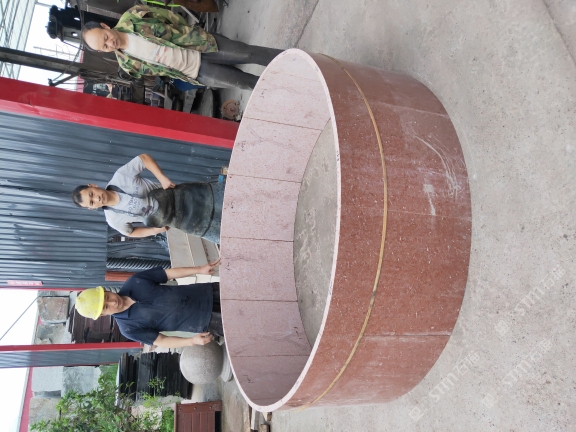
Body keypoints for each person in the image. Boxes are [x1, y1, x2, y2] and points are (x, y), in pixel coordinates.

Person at [82, 5, 283, 90]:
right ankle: (286, 90)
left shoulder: (133, 16)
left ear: (105, 26)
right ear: (101, 51)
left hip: (202, 44)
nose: (110, 44)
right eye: (104, 46)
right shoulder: (127, 65)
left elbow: (170, 16)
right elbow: (160, 71)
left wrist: (188, 33)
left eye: (106, 37)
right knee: (247, 83)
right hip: (196, 72)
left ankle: (294, 63)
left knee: (249, 53)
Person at [71, 153, 224, 242]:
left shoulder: (120, 177)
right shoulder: (113, 219)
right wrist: (154, 231)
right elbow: (130, 232)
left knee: (229, 200)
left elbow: (143, 158)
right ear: (91, 208)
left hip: (188, 196)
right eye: (92, 202)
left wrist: (162, 178)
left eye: (92, 194)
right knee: (225, 235)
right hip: (184, 221)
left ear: (93, 186)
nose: (97, 199)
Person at [74, 259, 222, 348]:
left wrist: (200, 269)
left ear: (106, 290)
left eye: (107, 296)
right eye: (106, 306)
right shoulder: (128, 328)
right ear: (102, 314)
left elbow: (168, 274)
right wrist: (192, 341)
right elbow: (162, 340)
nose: (113, 301)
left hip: (207, 291)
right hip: (207, 320)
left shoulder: (134, 282)